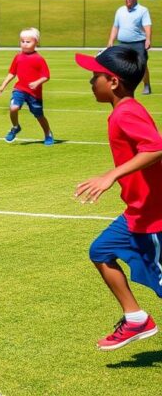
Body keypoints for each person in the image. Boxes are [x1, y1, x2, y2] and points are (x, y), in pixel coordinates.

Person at [74, 47, 162, 350]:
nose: (90, 81)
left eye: (94, 75)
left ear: (112, 81)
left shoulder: (126, 112)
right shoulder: (123, 111)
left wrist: (111, 175)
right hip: (137, 212)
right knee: (101, 250)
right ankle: (136, 318)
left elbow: (155, 147)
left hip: (154, 216)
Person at [0, 28, 54, 145]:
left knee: (39, 115)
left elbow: (46, 76)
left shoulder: (39, 59)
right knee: (13, 108)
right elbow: (12, 73)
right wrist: (3, 85)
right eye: (22, 41)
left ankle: (48, 133)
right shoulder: (18, 57)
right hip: (20, 89)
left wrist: (37, 82)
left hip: (34, 94)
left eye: (28, 41)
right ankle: (15, 127)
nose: (24, 44)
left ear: (36, 42)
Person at [107, 0, 153, 95]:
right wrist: (111, 40)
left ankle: (146, 85)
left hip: (138, 44)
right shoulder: (120, 11)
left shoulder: (143, 10)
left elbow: (147, 26)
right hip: (123, 44)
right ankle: (124, 87)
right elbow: (115, 27)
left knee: (142, 65)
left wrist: (148, 39)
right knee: (122, 66)